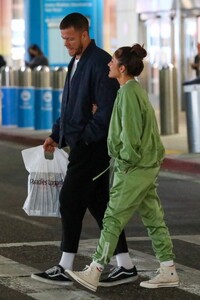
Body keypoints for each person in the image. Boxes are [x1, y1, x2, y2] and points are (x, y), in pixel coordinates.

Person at [31, 12, 137, 287]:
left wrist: (82, 139)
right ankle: (125, 265)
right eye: (63, 39)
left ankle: (65, 266)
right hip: (81, 143)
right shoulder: (76, 61)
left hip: (92, 148)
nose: (66, 43)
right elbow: (71, 106)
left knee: (69, 200)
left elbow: (105, 112)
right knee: (100, 205)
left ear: (84, 34)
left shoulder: (100, 62)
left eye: (69, 38)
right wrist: (57, 134)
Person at [66, 43, 180, 292]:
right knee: (152, 217)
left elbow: (129, 136)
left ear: (122, 67)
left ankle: (95, 270)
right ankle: (168, 269)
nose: (108, 64)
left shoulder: (127, 93)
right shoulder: (132, 90)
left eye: (112, 62)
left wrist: (124, 164)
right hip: (146, 164)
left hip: (134, 166)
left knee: (113, 217)